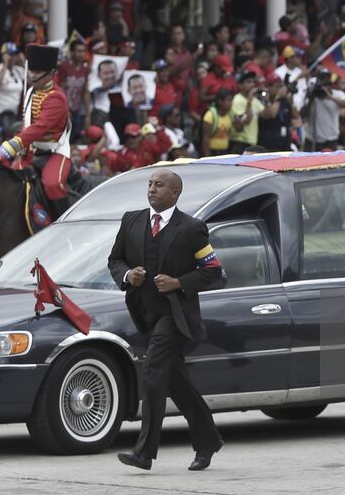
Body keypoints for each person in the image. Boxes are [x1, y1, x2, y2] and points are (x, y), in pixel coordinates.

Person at [107, 169, 226, 471]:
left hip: (175, 317)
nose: (152, 189)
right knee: (177, 382)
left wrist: (179, 282)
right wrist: (127, 275)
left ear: (174, 193)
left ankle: (144, 453)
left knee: (154, 374)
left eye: (159, 185)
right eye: (150, 184)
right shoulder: (131, 220)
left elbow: (212, 270)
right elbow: (114, 259)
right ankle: (208, 441)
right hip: (144, 313)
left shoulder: (192, 228)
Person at [0, 45, 74, 216]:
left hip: (55, 152)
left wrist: (12, 145)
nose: (32, 75)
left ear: (51, 73)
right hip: (31, 150)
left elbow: (40, 128)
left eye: (37, 71)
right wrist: (22, 147)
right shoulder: (31, 91)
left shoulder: (56, 97)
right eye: (31, 70)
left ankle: (63, 221)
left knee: (53, 185)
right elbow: (27, 124)